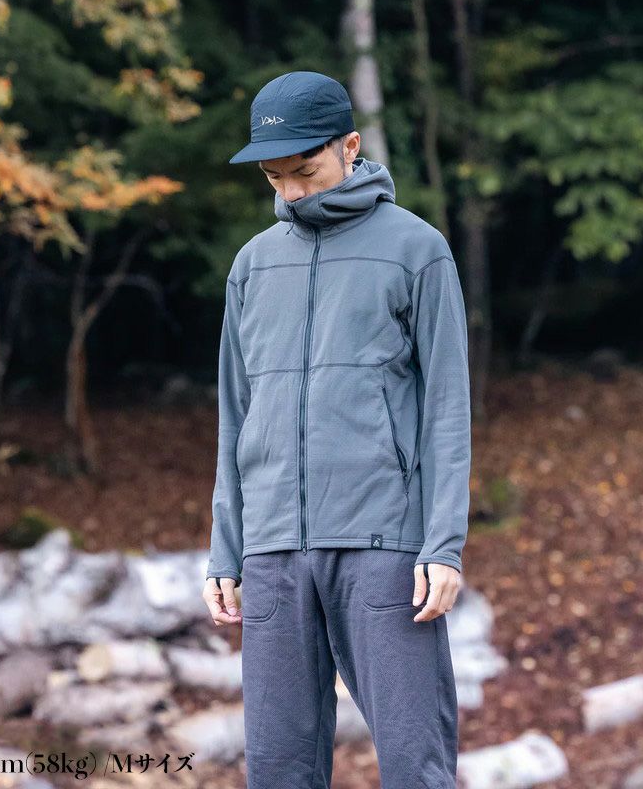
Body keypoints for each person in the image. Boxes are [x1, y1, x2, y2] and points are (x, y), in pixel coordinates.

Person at [202, 70, 471, 788]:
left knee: (416, 765)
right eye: (274, 177)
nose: (291, 191)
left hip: (384, 546)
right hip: (272, 552)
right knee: (278, 770)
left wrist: (443, 543)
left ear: (349, 147)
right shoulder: (252, 266)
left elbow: (447, 408)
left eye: (306, 171)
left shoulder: (417, 250)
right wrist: (227, 546)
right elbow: (236, 414)